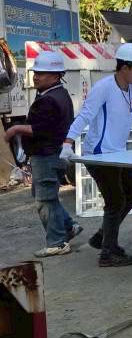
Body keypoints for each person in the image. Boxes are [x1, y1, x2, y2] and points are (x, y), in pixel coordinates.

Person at [63, 42, 132, 267]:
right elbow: (85, 115)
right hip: (99, 155)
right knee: (115, 201)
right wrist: (68, 142)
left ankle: (102, 238)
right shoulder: (104, 88)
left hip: (119, 154)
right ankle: (108, 254)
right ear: (125, 67)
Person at [4, 50, 80, 256]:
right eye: (35, 73)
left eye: (41, 73)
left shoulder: (49, 99)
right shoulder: (58, 94)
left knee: (45, 200)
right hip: (53, 153)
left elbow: (41, 129)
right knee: (44, 195)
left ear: (55, 76)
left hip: (47, 155)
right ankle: (69, 227)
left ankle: (57, 243)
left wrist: (15, 129)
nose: (36, 77)